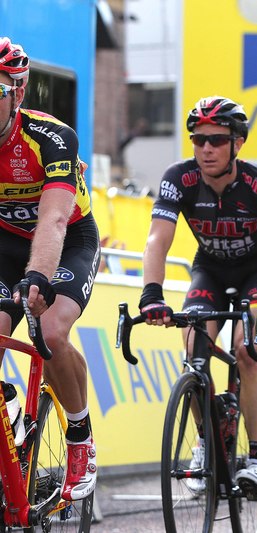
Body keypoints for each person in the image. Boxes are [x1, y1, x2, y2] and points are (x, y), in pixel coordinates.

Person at [139, 95, 257, 499]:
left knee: (248, 351)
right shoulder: (179, 179)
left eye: (216, 139)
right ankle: (205, 443)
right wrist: (151, 294)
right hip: (209, 269)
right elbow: (157, 240)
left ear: (238, 143)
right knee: (194, 347)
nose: (206, 149)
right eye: (198, 140)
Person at [0, 37, 99, 501]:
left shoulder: (50, 137)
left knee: (50, 330)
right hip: (4, 245)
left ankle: (79, 436)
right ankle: (9, 413)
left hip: (67, 241)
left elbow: (54, 218)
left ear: (17, 94)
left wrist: (38, 277)